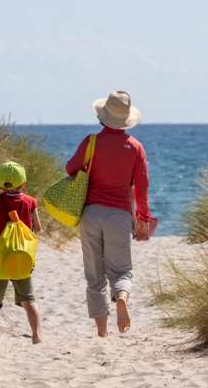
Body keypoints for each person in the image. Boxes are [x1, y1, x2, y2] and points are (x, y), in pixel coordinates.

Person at [65, 90, 155, 338]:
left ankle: (102, 332)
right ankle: (122, 299)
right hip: (119, 216)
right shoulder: (135, 147)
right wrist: (144, 219)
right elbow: (142, 188)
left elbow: (70, 168)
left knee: (95, 276)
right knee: (121, 271)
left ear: (103, 117)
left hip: (91, 214)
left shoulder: (90, 142)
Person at [0, 161, 43, 344]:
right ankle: (37, 335)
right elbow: (37, 228)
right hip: (22, 257)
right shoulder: (30, 202)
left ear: (0, 183)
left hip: (0, 257)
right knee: (29, 299)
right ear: (23, 183)